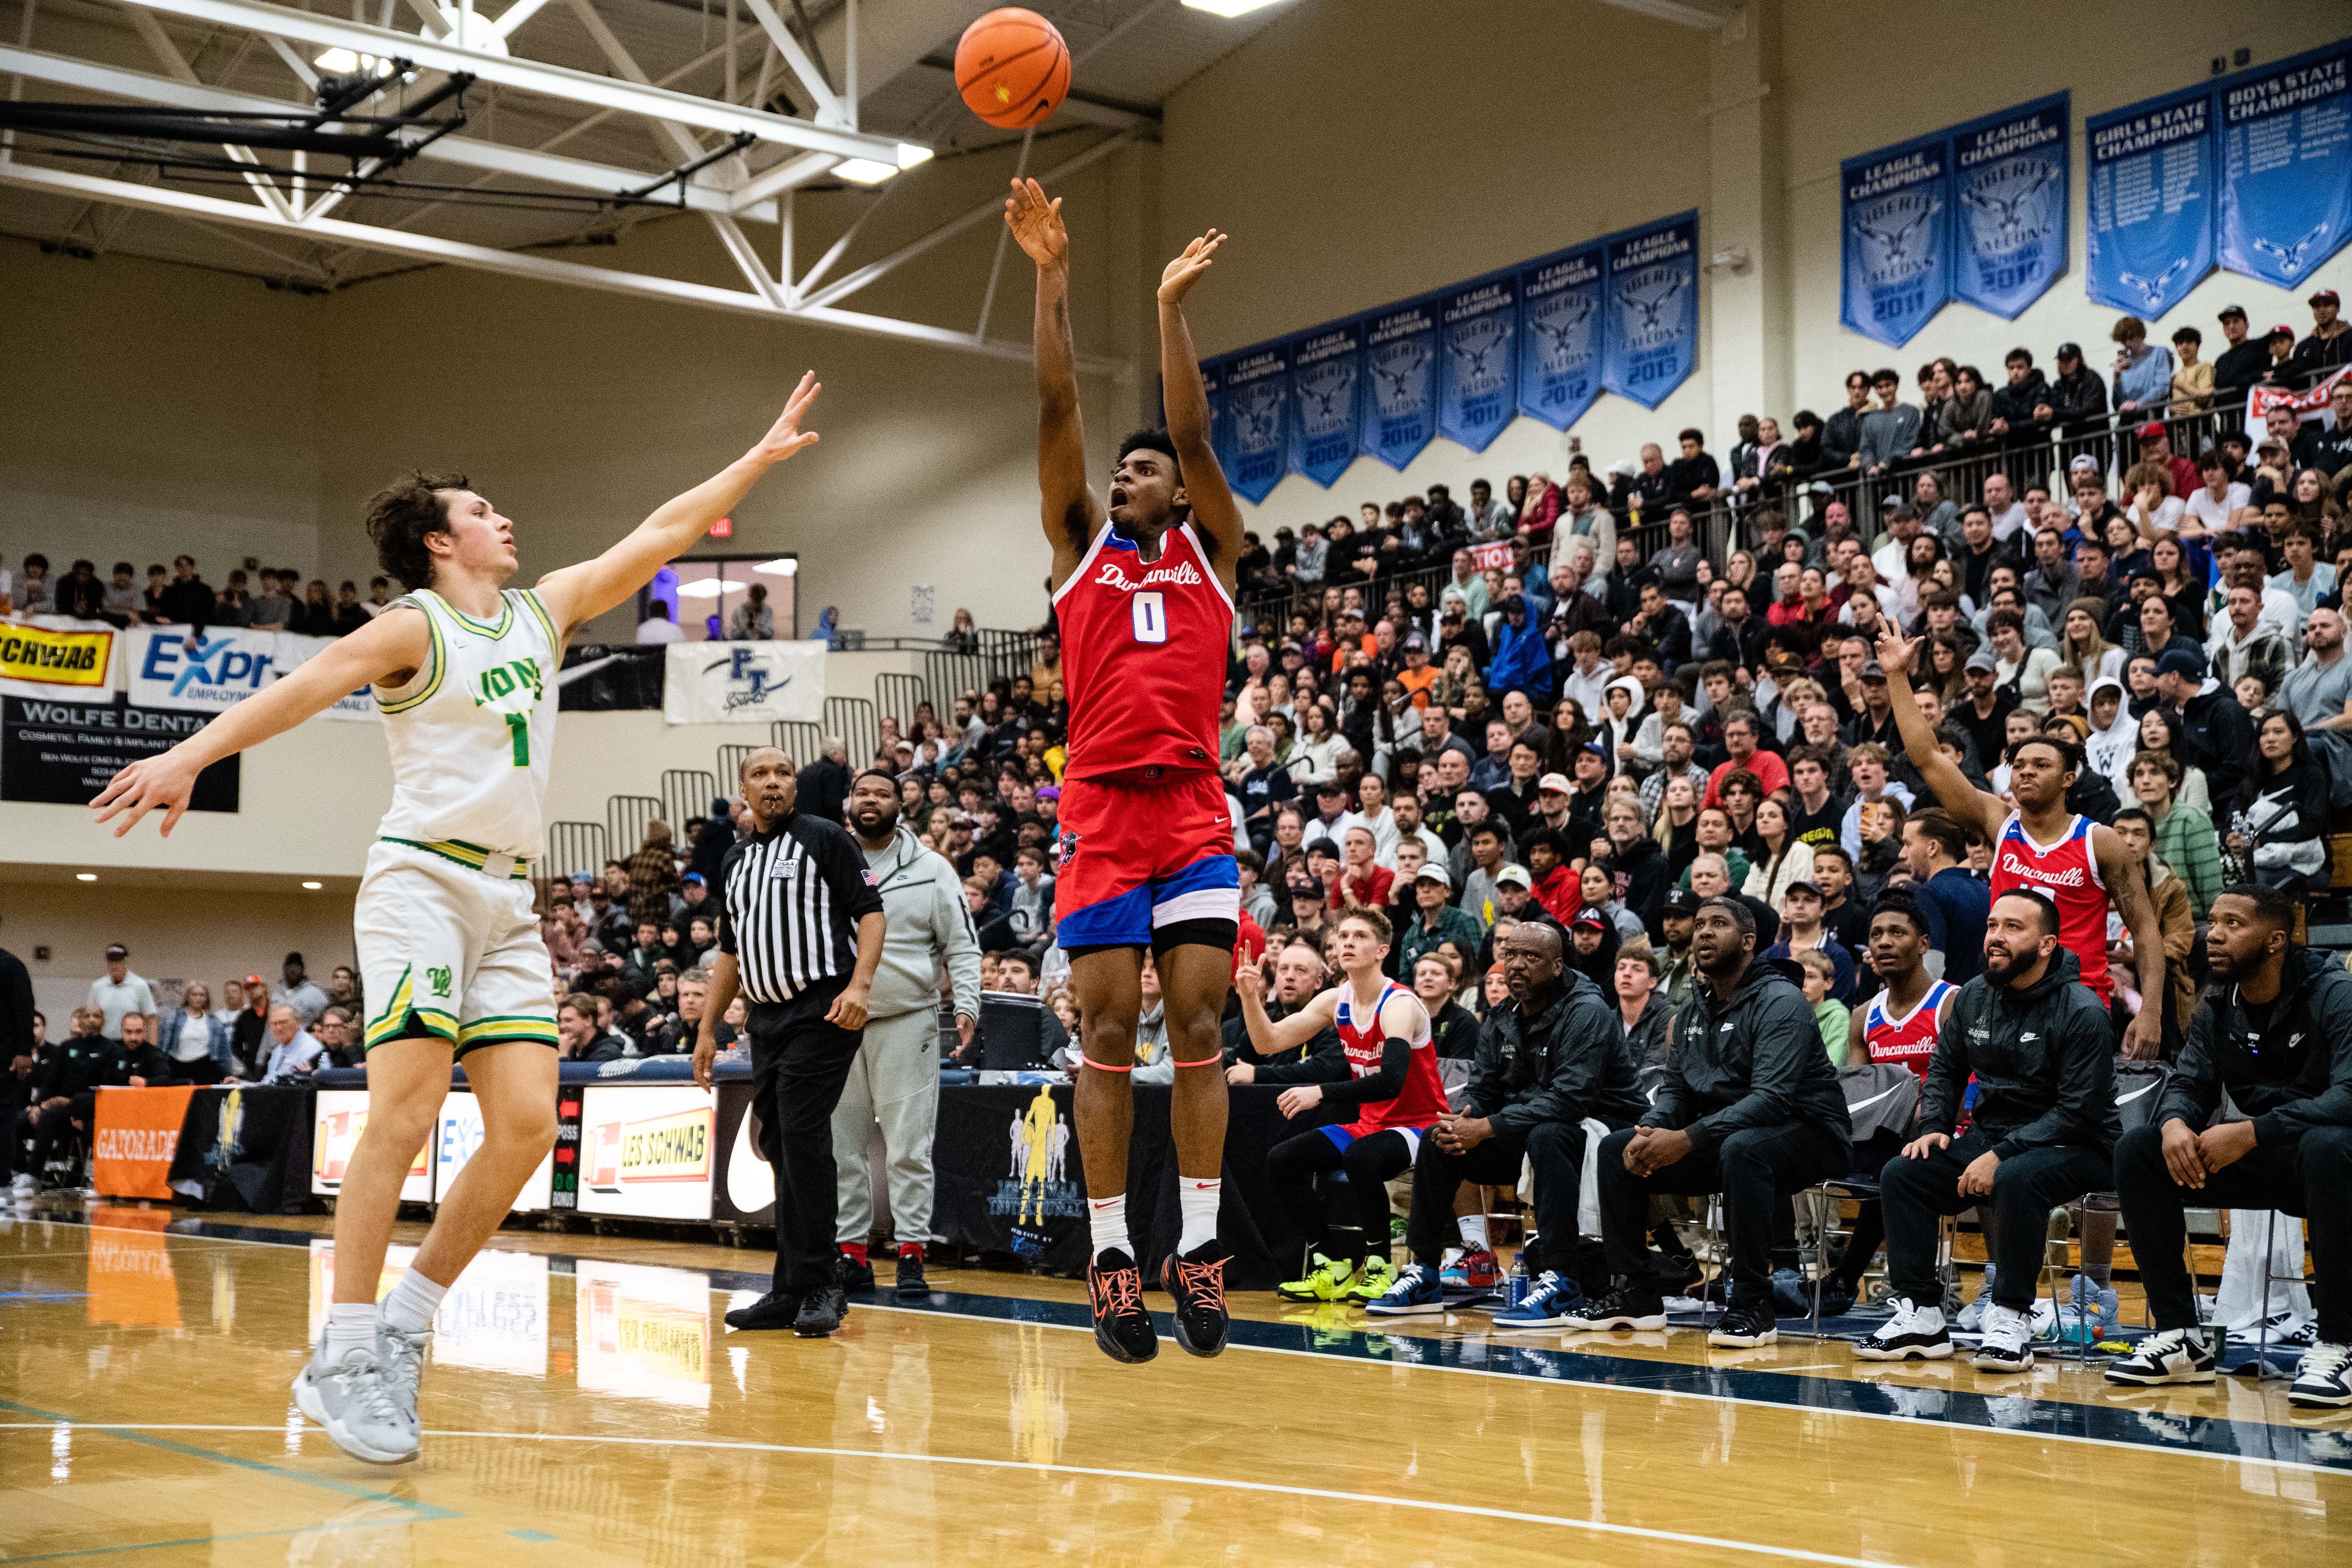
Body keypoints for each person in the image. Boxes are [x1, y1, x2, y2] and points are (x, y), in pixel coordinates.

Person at [91, 377, 828, 1461]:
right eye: (483, 512)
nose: (504, 520)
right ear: (441, 542)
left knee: (529, 1124)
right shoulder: (411, 625)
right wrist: (188, 756)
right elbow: (303, 688)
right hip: (421, 883)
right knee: (408, 1105)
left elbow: (662, 532)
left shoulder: (544, 609)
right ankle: (342, 1348)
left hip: (508, 902)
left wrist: (755, 461)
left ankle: (405, 1322)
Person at [1008, 181, 1245, 1363]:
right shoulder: (1077, 553)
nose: (1127, 479)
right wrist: (1053, 278)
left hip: (1194, 811)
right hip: (1102, 810)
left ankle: (1195, 1246)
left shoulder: (1214, 559)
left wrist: (1168, 311)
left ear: (1178, 499)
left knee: (1199, 1020)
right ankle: (1111, 1256)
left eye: (1143, 473)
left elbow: (1195, 438)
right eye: (1123, 472)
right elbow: (1055, 403)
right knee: (1107, 1034)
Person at [2106, 884, 2352, 1406]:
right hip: (2274, 1154)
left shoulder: (2333, 990)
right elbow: (2190, 1083)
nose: (2213, 933)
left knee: (2327, 1146)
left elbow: (2349, 1097)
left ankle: (2340, 1343)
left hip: (2334, 1158)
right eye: (2212, 920)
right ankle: (2182, 1339)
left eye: (2234, 924)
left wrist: (2249, 1133)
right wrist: (2174, 1122)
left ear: (2277, 940)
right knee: (2140, 1151)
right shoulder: (2219, 1000)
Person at [1569, 898, 1853, 1346]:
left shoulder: (1781, 1000)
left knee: (1744, 1149)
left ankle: (1752, 1304)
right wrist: (1652, 1128)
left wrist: (1684, 1138)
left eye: (1718, 924)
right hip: (1725, 1134)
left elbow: (1772, 1099)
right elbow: (1677, 1090)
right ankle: (1635, 1293)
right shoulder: (1693, 1008)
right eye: (1699, 924)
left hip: (1810, 1131)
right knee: (1617, 1148)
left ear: (1748, 942)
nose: (1703, 932)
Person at [1858, 890, 2118, 1369]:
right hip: (1996, 1137)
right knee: (1904, 1172)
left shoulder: (2082, 1010)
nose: (1996, 936)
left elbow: (2078, 1111)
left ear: (2046, 945)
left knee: (2017, 1178)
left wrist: (2000, 1154)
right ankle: (1923, 1314)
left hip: (2081, 1143)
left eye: (2013, 928)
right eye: (1993, 925)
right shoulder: (1976, 994)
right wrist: (1935, 1126)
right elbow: (1945, 1068)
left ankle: (2011, 1314)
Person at [1876, 629, 2164, 1059]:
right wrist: (1897, 675)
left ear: (2069, 778)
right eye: (2020, 765)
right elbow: (1928, 758)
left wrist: (2152, 1011)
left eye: (2041, 764)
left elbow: (2143, 927)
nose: (2025, 772)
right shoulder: (1999, 822)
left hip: (2078, 1004)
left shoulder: (2099, 841)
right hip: (2006, 1000)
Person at [694, 746, 886, 1339]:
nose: (773, 783)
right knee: (779, 1140)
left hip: (824, 1008)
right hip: (766, 1020)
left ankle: (825, 1280)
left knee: (801, 1134)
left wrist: (860, 986)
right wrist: (707, 1025)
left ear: (796, 790)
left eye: (783, 774)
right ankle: (791, 1286)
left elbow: (872, 914)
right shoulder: (735, 859)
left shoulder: (825, 837)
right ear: (743, 793)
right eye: (761, 775)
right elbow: (731, 950)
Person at [1367, 922, 1646, 1325]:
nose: (1516, 965)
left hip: (1601, 1127)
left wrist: (1486, 1128)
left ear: (1556, 967)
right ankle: (1424, 1271)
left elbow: (1571, 1099)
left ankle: (1562, 1279)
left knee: (1550, 1134)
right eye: (1510, 955)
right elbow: (1484, 1088)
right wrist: (1466, 1118)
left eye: (1530, 958)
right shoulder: (1501, 1016)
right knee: (1437, 1139)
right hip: (1528, 1126)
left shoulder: (1587, 1010)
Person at [1244, 911, 1447, 1306]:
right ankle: (1331, 1264)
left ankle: (1380, 1267)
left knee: (1360, 1159)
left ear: (1382, 951)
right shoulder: (1336, 1000)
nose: (1348, 942)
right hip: (1371, 1124)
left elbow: (1391, 1081)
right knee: (1282, 1159)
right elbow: (1267, 1042)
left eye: (1360, 936)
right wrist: (1249, 996)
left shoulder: (1400, 1004)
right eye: (1343, 936)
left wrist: (1320, 1092)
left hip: (1420, 1125)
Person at [831, 770, 981, 1300]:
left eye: (882, 793)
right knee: (842, 1149)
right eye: (862, 792)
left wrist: (968, 1002)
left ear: (902, 805)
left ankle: (913, 1251)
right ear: (849, 802)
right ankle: (851, 1253)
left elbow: (962, 945)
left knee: (908, 1148)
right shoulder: (829, 859)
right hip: (835, 1025)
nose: (870, 800)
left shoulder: (932, 869)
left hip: (907, 1019)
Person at [1899, 808, 1989, 984]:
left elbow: (1932, 967)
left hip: (1949, 1005)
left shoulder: (1929, 894)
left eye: (1908, 844)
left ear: (1932, 848)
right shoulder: (1985, 890)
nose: (1902, 854)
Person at [85, 944, 156, 1040]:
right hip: (104, 1043)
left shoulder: (140, 985)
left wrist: (152, 1051)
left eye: (118, 961)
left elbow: (151, 1019)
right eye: (111, 961)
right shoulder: (97, 986)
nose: (114, 965)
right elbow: (89, 1018)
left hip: (131, 1043)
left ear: (126, 962)